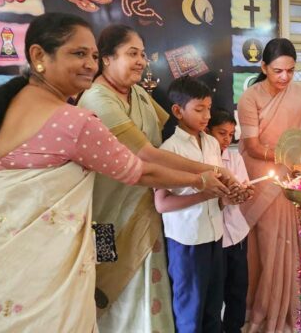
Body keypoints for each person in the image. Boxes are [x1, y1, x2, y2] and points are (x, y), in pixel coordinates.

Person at [0, 13, 234, 332]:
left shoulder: (8, 106)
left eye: (93, 56)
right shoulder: (79, 118)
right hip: (52, 267)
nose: (89, 64)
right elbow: (141, 167)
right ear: (39, 55)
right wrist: (202, 179)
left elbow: (161, 136)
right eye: (78, 54)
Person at [78, 24, 242, 332]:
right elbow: (148, 153)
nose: (141, 61)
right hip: (111, 214)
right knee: (115, 296)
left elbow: (166, 130)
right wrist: (207, 175)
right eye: (132, 54)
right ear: (107, 58)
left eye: (142, 54)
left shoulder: (138, 93)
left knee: (153, 294)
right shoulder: (97, 99)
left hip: (149, 210)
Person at [154, 76, 250, 333]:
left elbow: (216, 195)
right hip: (187, 242)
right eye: (199, 109)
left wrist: (230, 197)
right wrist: (204, 194)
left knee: (213, 309)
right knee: (190, 312)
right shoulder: (169, 149)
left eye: (208, 108)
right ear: (178, 111)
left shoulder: (211, 143)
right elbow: (162, 204)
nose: (207, 115)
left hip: (215, 235)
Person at [237, 37, 301, 333]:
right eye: (277, 71)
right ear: (263, 67)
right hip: (263, 178)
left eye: (291, 70)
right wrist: (286, 154)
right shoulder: (250, 98)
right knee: (265, 245)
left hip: (292, 178)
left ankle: (286, 309)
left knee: (289, 243)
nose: (285, 77)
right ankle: (261, 309)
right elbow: (253, 146)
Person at [207, 108, 251, 333]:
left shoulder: (234, 158)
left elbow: (242, 189)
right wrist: (224, 198)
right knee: (215, 291)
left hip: (237, 233)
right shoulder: (201, 161)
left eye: (231, 134)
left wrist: (243, 193)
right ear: (208, 131)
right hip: (214, 238)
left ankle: (235, 328)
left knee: (238, 288)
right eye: (221, 133)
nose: (227, 139)